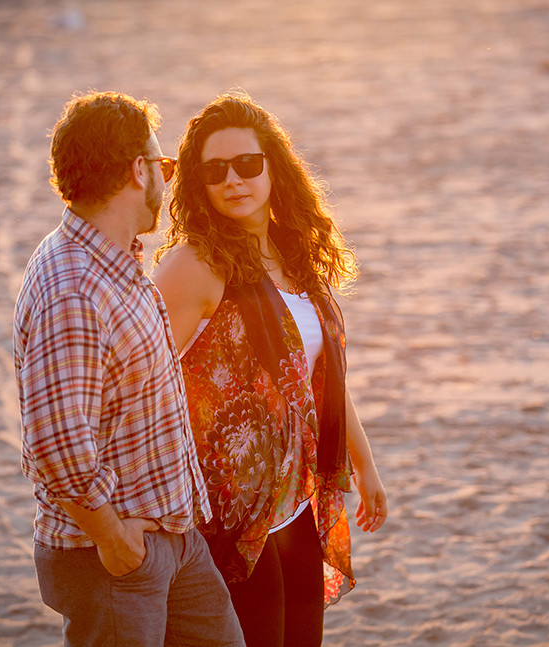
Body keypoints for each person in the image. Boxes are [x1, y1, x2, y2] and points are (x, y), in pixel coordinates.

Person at [151, 91, 388, 647]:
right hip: (227, 516)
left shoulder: (294, 255)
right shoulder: (195, 264)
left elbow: (321, 379)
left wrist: (365, 465)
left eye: (247, 164)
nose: (233, 180)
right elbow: (139, 381)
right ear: (197, 184)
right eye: (214, 170)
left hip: (296, 502)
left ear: (273, 167)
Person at [13, 90, 245, 647]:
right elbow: (54, 442)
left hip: (172, 538)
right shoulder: (73, 287)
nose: (167, 180)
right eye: (163, 166)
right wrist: (113, 538)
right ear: (139, 171)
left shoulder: (116, 261)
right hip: (113, 558)